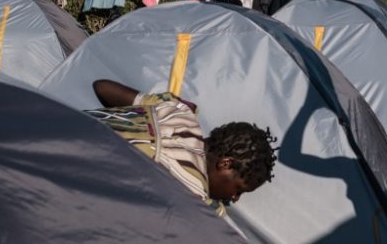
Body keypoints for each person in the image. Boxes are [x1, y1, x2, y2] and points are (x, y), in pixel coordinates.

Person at [88, 79, 277, 217]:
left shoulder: (179, 112)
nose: (235, 198)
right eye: (239, 190)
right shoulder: (200, 204)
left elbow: (102, 87)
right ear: (225, 164)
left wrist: (171, 105)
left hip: (70, 132)